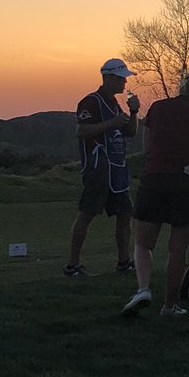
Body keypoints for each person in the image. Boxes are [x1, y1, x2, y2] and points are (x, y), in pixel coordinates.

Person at [122, 74, 189, 318]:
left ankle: (143, 288)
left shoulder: (157, 108)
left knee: (143, 243)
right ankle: (170, 305)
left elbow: (148, 148)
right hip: (187, 182)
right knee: (177, 249)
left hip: (156, 179)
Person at [65, 59, 141, 278]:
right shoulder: (91, 101)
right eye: (120, 78)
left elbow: (131, 132)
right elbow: (82, 131)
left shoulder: (114, 103)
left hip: (117, 168)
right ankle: (72, 265)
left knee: (125, 213)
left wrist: (133, 113)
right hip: (98, 166)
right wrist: (112, 123)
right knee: (87, 213)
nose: (124, 82)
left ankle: (124, 261)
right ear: (108, 78)